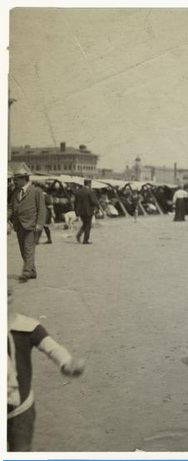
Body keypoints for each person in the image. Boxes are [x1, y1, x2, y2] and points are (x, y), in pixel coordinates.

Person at [7, 286, 85, 451]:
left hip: (21, 410)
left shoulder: (27, 327)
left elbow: (52, 348)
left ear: (9, 296)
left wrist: (66, 362)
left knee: (21, 450)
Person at [8, 168, 47, 282]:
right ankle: (32, 271)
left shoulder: (36, 191)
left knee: (28, 249)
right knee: (23, 250)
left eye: (17, 179)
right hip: (19, 225)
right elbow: (11, 207)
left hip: (32, 225)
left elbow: (41, 209)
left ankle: (26, 272)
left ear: (24, 179)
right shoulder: (15, 192)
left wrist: (40, 224)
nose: (14, 182)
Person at [74, 179, 100, 245]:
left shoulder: (78, 192)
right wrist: (98, 208)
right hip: (88, 210)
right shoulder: (90, 191)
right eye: (90, 184)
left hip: (80, 211)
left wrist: (76, 211)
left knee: (85, 223)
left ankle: (79, 235)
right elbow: (93, 201)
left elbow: (75, 202)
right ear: (88, 184)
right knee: (88, 225)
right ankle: (85, 240)